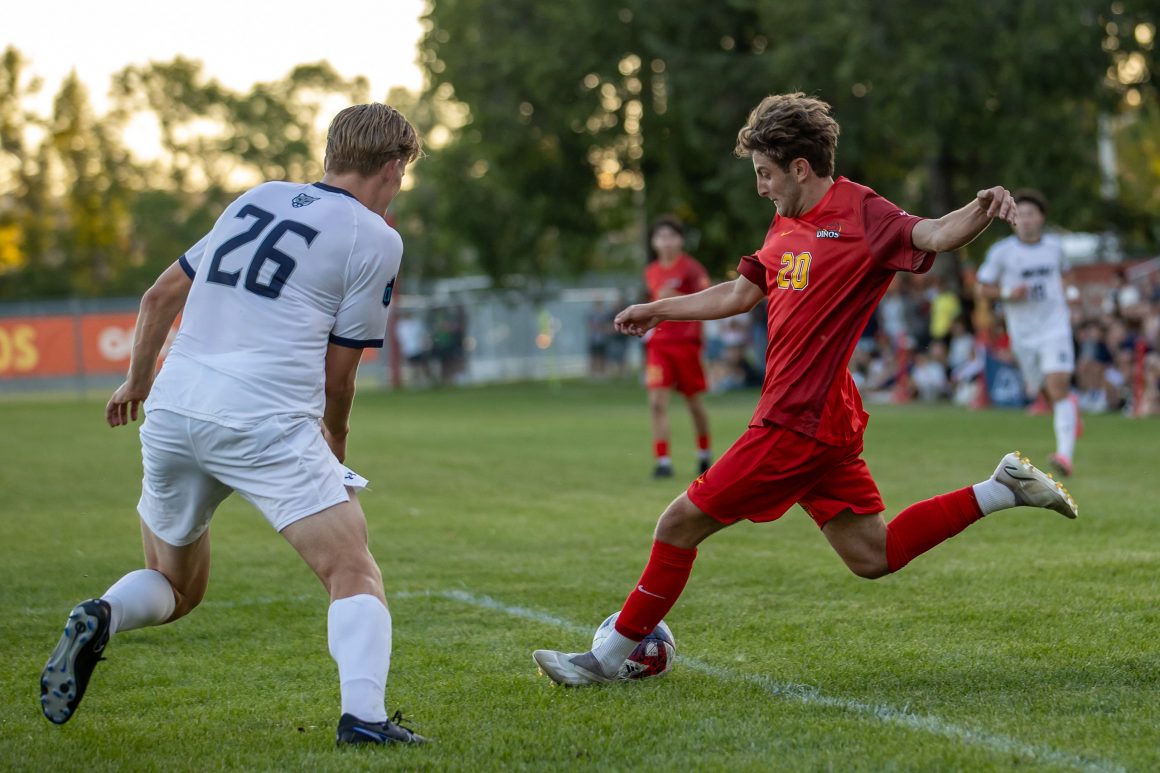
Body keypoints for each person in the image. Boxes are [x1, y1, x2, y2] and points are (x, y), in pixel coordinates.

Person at [532, 93, 1077, 686]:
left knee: (678, 524)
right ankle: (1001, 489)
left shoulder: (863, 213)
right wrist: (661, 309)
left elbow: (933, 234)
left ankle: (604, 659)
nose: (760, 187)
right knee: (873, 556)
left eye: (765, 173)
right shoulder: (786, 221)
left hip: (797, 420)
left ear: (799, 167)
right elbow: (741, 294)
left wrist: (982, 205)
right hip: (821, 419)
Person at [39, 103, 427, 747]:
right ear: (391, 168)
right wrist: (335, 440)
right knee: (352, 569)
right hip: (263, 417)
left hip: (173, 407)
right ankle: (364, 719)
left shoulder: (258, 197)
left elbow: (159, 296)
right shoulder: (376, 235)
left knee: (174, 586)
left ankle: (103, 614)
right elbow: (340, 373)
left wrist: (138, 381)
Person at [976, 189, 1081, 476]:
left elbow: (1067, 274)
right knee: (1046, 391)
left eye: (1030, 214)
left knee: (1058, 386)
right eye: (1020, 215)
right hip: (1022, 334)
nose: (1025, 219)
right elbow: (982, 287)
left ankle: (1065, 455)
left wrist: (1071, 294)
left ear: (1042, 217)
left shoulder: (1054, 247)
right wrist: (1009, 292)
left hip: (1054, 327)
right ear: (1013, 220)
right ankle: (1070, 412)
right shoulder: (1002, 252)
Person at [641, 215, 713, 478]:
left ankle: (704, 454)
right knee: (656, 403)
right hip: (659, 345)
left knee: (693, 403)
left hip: (686, 345)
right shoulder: (651, 272)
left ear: (680, 240)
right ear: (654, 242)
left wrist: (678, 297)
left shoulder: (692, 269)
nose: (666, 242)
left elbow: (709, 300)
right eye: (661, 237)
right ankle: (663, 461)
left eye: (671, 236)